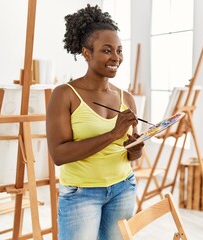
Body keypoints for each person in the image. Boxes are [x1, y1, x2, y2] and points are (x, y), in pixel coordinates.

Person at [46, 4, 144, 240]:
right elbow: (59, 155)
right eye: (107, 50)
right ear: (87, 53)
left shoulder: (126, 98)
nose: (116, 58)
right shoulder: (65, 94)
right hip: (81, 194)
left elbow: (128, 153)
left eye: (119, 50)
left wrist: (135, 149)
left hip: (123, 188)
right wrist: (113, 133)